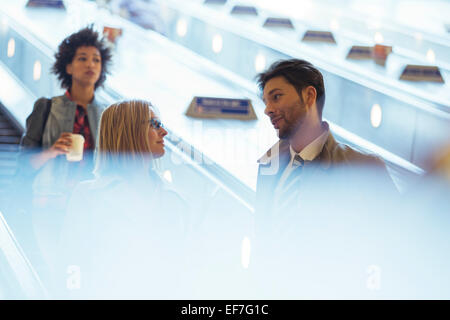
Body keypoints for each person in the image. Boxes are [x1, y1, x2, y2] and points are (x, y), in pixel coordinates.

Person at [58, 100, 186, 298]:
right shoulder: (89, 196)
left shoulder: (173, 198)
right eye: (154, 125)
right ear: (130, 131)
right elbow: (71, 263)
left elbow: (181, 272)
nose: (164, 133)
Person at [19, 25, 112, 204]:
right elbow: (24, 164)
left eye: (96, 60)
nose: (90, 64)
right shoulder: (46, 107)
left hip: (91, 205)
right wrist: (51, 151)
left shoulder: (107, 115)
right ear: (68, 67)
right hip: (50, 203)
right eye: (82, 58)